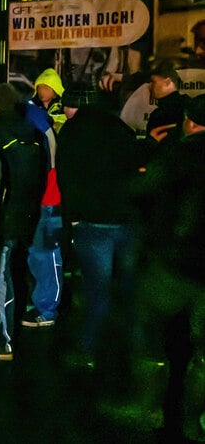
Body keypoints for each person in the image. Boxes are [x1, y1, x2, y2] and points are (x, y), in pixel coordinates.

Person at [135, 95, 205, 440]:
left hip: (170, 263)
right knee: (202, 355)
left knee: (159, 346)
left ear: (189, 122)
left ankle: (155, 412)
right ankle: (194, 421)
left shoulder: (175, 155)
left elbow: (141, 190)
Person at [55, 88, 140, 367]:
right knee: (127, 288)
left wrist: (73, 218)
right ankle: (132, 347)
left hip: (92, 221)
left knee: (96, 289)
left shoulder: (72, 132)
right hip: (125, 219)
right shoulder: (121, 130)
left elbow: (66, 179)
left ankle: (90, 347)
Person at [0, 83, 44, 360]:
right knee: (10, 273)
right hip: (26, 214)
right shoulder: (32, 131)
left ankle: (3, 340)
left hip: (2, 216)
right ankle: (4, 333)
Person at [22, 68, 66, 328]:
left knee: (48, 253)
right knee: (38, 254)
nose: (42, 91)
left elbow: (52, 159)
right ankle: (42, 300)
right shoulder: (37, 116)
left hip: (51, 197)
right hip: (41, 196)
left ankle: (48, 308)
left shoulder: (38, 119)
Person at [146, 63, 185, 144]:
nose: (149, 86)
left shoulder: (161, 113)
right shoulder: (188, 106)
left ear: (167, 82)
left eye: (153, 82)